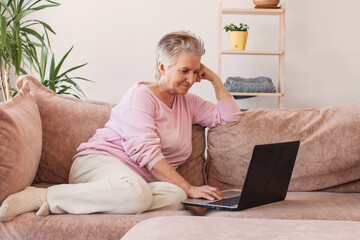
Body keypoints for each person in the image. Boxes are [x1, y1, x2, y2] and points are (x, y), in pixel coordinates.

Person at [0, 31, 242, 221]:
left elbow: (229, 116)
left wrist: (214, 79)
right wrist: (189, 186)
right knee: (145, 193)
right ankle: (44, 196)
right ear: (162, 67)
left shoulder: (187, 102)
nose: (191, 79)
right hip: (98, 163)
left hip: (137, 182)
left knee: (176, 196)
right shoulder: (141, 96)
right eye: (184, 71)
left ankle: (114, 199)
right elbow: (147, 153)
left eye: (196, 71)